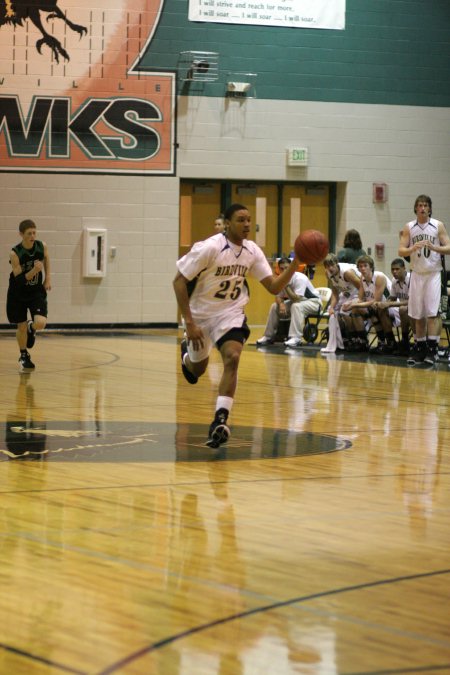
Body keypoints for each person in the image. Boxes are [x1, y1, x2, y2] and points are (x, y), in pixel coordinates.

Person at [173, 203, 301, 449]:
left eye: (249, 220)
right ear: (227, 223)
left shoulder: (252, 250)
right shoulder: (210, 247)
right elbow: (178, 281)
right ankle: (187, 355)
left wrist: (296, 263)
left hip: (229, 312)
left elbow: (273, 287)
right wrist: (189, 323)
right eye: (241, 220)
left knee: (232, 357)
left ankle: (220, 419)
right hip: (199, 315)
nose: (247, 225)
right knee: (196, 371)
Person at [398, 194, 450, 365]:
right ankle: (419, 347)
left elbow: (448, 247)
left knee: (432, 313)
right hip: (417, 274)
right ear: (416, 208)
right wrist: (412, 247)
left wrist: (436, 247)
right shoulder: (409, 227)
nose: (422, 208)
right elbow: (401, 251)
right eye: (419, 205)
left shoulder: (437, 225)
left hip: (434, 274)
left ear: (429, 208)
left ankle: (433, 349)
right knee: (417, 314)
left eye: (425, 205)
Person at [6, 219, 51, 372]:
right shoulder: (15, 253)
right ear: (21, 234)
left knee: (41, 323)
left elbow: (46, 259)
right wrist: (34, 271)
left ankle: (33, 328)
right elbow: (19, 280)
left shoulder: (41, 246)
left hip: (35, 291)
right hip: (18, 292)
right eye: (29, 233)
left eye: (34, 232)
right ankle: (24, 355)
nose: (32, 236)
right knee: (21, 325)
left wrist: (48, 278)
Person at [256, 257, 321, 348]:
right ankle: (268, 336)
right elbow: (278, 296)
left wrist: (286, 285)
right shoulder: (281, 278)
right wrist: (281, 304)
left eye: (287, 268)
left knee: (296, 306)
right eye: (282, 268)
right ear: (279, 269)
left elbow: (297, 299)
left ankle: (296, 338)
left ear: (292, 268)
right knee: (275, 306)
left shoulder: (300, 278)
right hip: (298, 302)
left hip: (313, 302)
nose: (284, 270)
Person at [342, 255, 391, 352]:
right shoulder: (362, 278)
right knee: (355, 309)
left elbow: (376, 300)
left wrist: (355, 304)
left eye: (365, 265)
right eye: (360, 266)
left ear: (371, 267)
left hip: (389, 306)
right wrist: (350, 303)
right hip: (372, 306)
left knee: (373, 309)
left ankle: (385, 342)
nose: (362, 268)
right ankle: (363, 341)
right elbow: (360, 298)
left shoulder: (379, 277)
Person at [320, 253, 361, 353]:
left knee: (345, 311)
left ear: (337, 264)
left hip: (358, 293)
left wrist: (357, 302)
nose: (330, 268)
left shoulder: (347, 273)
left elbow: (363, 288)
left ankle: (356, 339)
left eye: (332, 265)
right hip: (346, 294)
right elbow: (335, 293)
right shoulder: (328, 274)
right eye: (327, 266)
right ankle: (342, 339)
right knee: (333, 313)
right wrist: (331, 307)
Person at [373, 258, 412, 355]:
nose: (394, 272)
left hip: (415, 309)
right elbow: (392, 297)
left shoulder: (412, 279)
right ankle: (391, 342)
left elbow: (411, 302)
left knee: (403, 309)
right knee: (381, 309)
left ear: (404, 268)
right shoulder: (394, 281)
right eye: (392, 269)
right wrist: (384, 303)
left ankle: (405, 341)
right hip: (402, 309)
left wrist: (389, 304)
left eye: (397, 269)